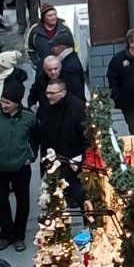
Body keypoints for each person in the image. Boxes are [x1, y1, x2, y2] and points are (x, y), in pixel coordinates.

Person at [0, 78, 38, 251]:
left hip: (21, 166)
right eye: (2, 101)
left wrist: (31, 156)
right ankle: (7, 233)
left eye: (8, 102)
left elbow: (35, 139)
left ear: (17, 103)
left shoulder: (29, 117)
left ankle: (19, 236)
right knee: (0, 201)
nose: (3, 105)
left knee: (23, 201)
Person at [36, 78, 86, 210]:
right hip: (53, 160)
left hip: (73, 161)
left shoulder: (77, 108)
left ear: (63, 93)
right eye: (47, 93)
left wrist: (80, 159)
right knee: (54, 199)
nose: (48, 96)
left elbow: (85, 136)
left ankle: (89, 225)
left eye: (52, 93)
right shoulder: (46, 107)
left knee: (80, 196)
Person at [26, 4, 66, 69]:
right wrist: (36, 64)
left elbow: (73, 46)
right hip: (42, 68)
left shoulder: (64, 27)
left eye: (55, 14)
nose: (53, 17)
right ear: (43, 17)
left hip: (63, 67)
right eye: (50, 16)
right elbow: (29, 49)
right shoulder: (35, 30)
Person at [47, 31, 85, 97]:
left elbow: (74, 92)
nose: (51, 49)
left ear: (62, 47)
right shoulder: (71, 59)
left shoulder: (69, 68)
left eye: (54, 46)